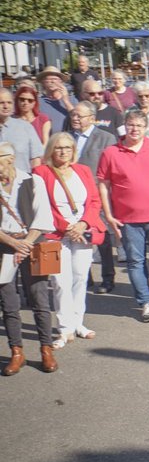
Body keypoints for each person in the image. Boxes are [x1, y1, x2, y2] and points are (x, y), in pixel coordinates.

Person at [97, 110, 149, 322]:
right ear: (125, 125)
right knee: (136, 262)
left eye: (139, 126)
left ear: (146, 128)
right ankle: (146, 303)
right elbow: (104, 185)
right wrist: (108, 215)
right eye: (131, 125)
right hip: (128, 220)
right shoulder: (111, 152)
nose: (134, 129)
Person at [33, 133, 103, 349]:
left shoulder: (82, 170)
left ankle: (77, 322)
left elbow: (93, 201)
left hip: (82, 231)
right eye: (58, 148)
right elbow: (41, 206)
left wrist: (82, 224)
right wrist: (67, 228)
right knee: (60, 282)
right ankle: (64, 328)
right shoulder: (41, 172)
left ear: (73, 150)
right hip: (55, 235)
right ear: (51, 150)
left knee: (80, 278)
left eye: (67, 148)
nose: (63, 151)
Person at [0, 142, 57, 375]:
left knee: (39, 298)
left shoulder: (33, 181)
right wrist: (13, 243)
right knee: (8, 302)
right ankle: (16, 351)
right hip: (5, 245)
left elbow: (43, 216)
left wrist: (25, 244)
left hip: (32, 244)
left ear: (10, 160)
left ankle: (46, 349)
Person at [69, 100, 117, 293]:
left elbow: (112, 170)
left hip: (98, 195)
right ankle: (84, 277)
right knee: (78, 236)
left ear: (91, 118)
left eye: (79, 116)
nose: (75, 118)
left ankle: (108, 278)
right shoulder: (66, 138)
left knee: (102, 237)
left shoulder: (105, 138)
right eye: (73, 115)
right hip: (73, 195)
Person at [0, 88, 45, 172]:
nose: (6, 106)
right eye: (1, 103)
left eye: (9, 103)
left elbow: (36, 158)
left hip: (22, 181)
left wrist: (33, 179)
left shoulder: (25, 127)